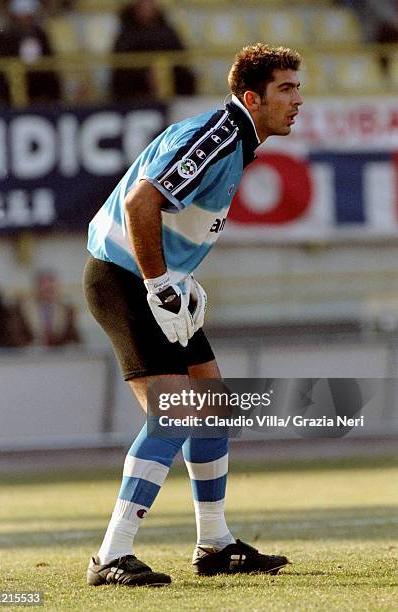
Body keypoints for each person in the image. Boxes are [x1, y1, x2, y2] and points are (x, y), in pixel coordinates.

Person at [84, 43, 302, 587]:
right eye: (286, 89)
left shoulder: (234, 140)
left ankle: (214, 543)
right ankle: (111, 555)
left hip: (149, 280)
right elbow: (140, 204)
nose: (299, 101)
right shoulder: (218, 135)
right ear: (251, 97)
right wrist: (160, 283)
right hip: (124, 279)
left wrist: (175, 275)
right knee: (178, 413)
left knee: (212, 407)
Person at [110, 0, 196, 101]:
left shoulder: (167, 31)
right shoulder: (126, 34)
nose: (147, 7)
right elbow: (120, 65)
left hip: (172, 89)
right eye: (143, 4)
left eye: (150, 3)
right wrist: (145, 76)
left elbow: (181, 57)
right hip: (136, 93)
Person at [0, 0, 61, 107]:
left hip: (40, 95)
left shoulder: (41, 35)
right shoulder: (4, 37)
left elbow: (50, 66)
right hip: (8, 95)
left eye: (29, 16)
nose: (26, 20)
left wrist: (53, 95)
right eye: (22, 16)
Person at [14, 269, 81, 347]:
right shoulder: (22, 308)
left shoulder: (66, 310)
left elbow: (74, 336)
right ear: (36, 288)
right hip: (29, 355)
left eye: (51, 288)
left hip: (59, 356)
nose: (48, 289)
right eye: (44, 288)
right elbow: (15, 334)